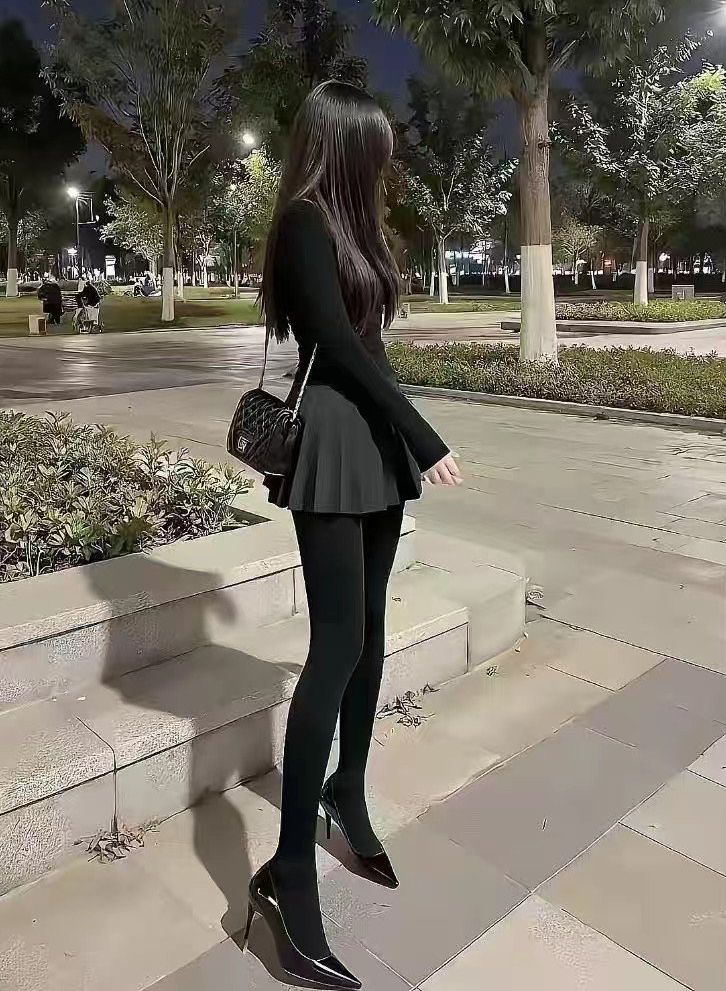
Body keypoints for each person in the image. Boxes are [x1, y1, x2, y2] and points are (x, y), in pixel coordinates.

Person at [243, 81, 461, 990]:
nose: (388, 160)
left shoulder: (360, 228)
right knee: (335, 648)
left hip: (372, 444)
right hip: (334, 441)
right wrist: (424, 434)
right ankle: (288, 873)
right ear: (342, 144)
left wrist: (402, 435)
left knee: (371, 635)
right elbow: (334, 343)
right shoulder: (302, 222)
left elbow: (373, 343)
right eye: (377, 146)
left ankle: (348, 790)